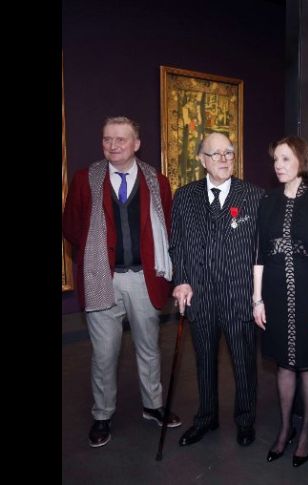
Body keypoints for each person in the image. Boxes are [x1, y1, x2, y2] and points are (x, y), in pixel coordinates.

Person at [62, 116, 181, 448]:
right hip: (103, 278)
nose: (112, 145)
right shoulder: (86, 179)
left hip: (145, 279)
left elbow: (169, 227)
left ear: (136, 144)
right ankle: (102, 415)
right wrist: (97, 256)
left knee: (149, 348)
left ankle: (153, 406)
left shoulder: (157, 181)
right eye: (106, 139)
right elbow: (71, 227)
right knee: (104, 353)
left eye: (120, 140)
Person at [169, 132, 264, 447]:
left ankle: (245, 419)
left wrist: (259, 296)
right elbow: (177, 245)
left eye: (229, 153)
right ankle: (206, 417)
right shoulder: (184, 196)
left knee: (243, 361)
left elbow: (260, 252)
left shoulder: (253, 196)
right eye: (217, 154)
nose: (224, 159)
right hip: (200, 296)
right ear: (201, 160)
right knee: (204, 361)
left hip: (239, 296)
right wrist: (181, 279)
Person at [253, 136, 308, 467]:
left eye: (285, 159)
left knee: (307, 364)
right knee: (284, 363)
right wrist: (256, 299)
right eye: (275, 160)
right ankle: (285, 428)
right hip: (272, 291)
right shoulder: (267, 200)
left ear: (302, 161)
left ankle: (307, 431)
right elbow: (258, 254)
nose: (279, 166)